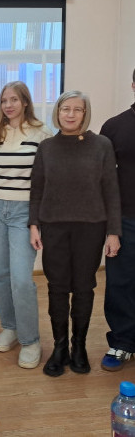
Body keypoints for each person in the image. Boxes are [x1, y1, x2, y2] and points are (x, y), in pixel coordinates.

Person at [30, 90, 121, 376]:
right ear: (57, 112)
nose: (70, 114)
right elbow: (37, 189)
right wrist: (33, 224)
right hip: (53, 227)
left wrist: (113, 232)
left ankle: (78, 346)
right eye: (65, 108)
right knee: (57, 288)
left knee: (83, 287)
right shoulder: (47, 147)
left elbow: (111, 190)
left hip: (91, 227)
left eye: (77, 109)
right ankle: (60, 348)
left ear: (85, 113)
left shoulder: (102, 145)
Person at [0, 81, 52, 369]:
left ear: (25, 102)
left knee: (21, 279)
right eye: (4, 100)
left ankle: (30, 340)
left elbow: (44, 180)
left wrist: (37, 221)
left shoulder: (41, 133)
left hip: (23, 211)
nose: (8, 105)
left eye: (14, 100)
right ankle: (9, 327)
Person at [99, 70, 135, 372]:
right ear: (133, 84)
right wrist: (111, 229)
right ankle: (123, 341)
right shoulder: (114, 127)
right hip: (125, 220)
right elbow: (105, 182)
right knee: (120, 284)